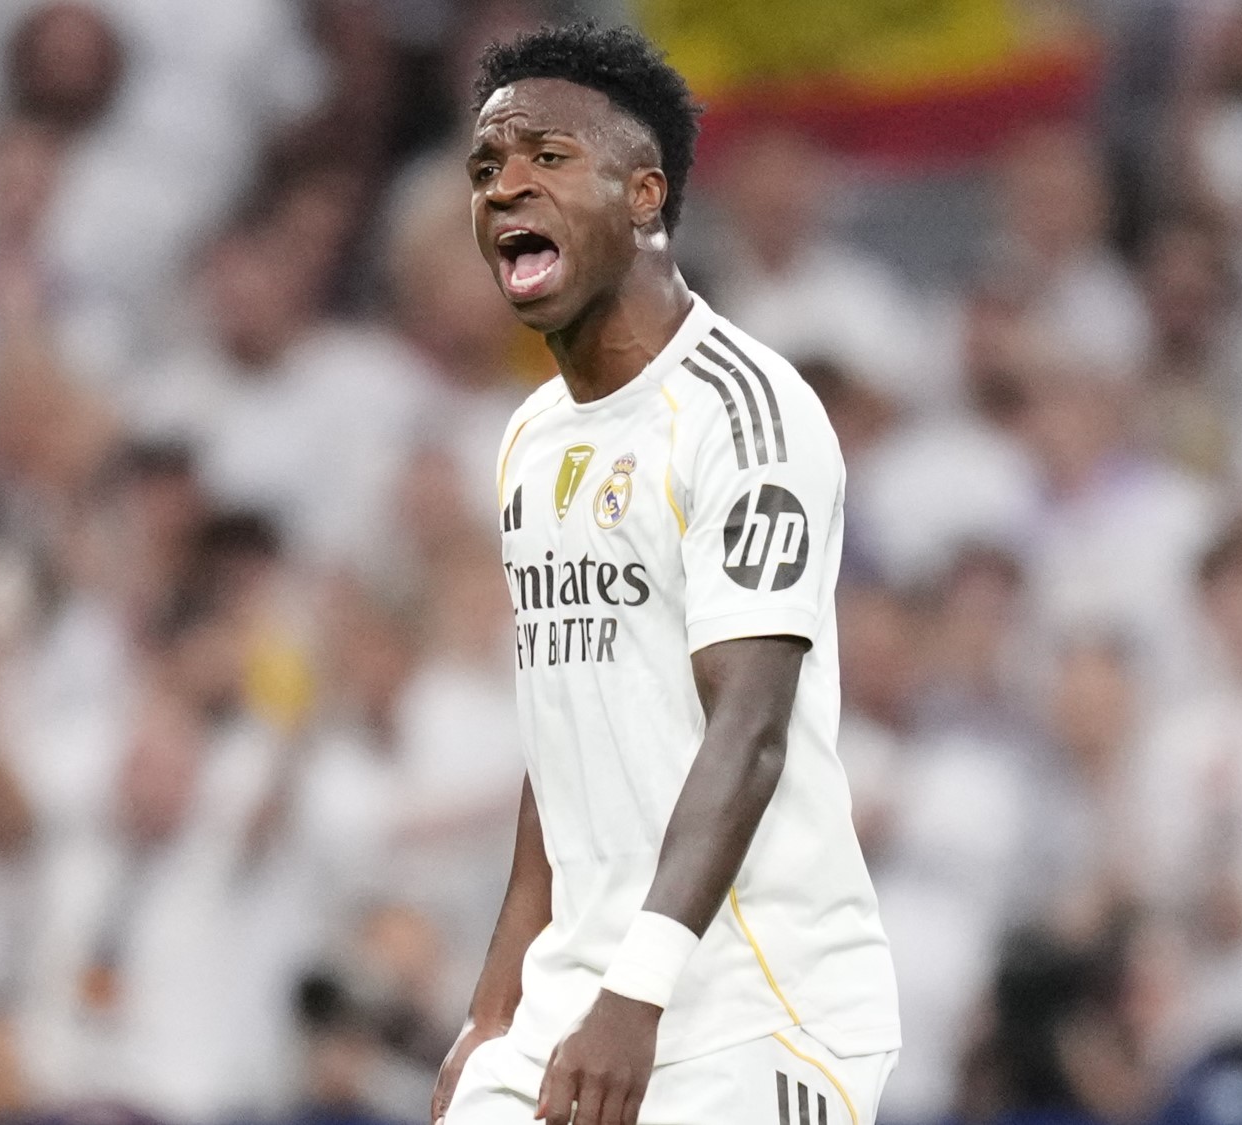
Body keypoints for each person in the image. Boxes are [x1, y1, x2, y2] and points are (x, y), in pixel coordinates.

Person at [435, 23, 900, 1125]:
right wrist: (495, 1007)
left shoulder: (746, 412)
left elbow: (750, 725)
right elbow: (561, 734)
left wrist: (635, 993)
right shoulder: (531, 439)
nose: (505, 188)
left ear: (644, 196)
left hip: (754, 1006)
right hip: (574, 997)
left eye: (547, 157)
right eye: (487, 167)